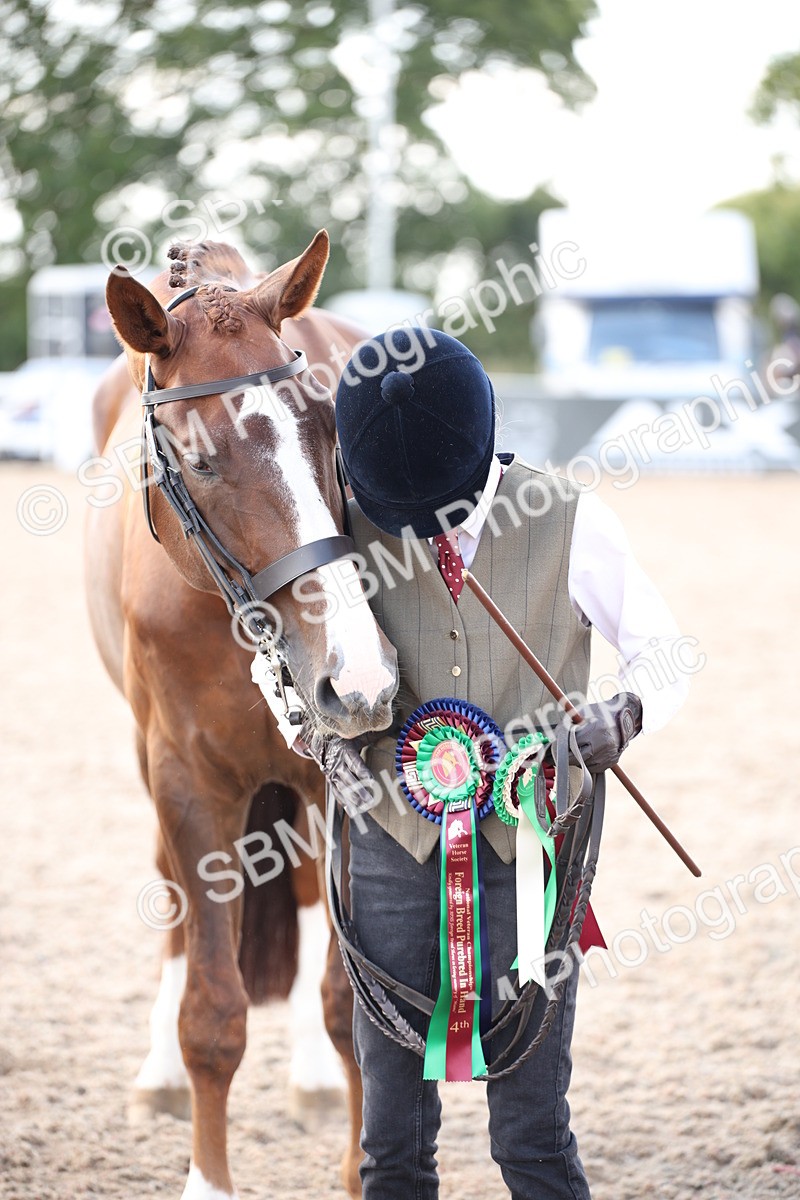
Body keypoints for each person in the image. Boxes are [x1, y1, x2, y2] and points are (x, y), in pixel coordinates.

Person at [330, 326, 688, 1198]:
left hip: (534, 845)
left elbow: (666, 648)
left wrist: (626, 712)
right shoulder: (343, 523)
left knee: (532, 1131)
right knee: (390, 1144)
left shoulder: (574, 517)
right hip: (385, 841)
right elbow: (278, 660)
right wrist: (315, 736)